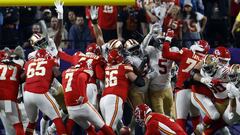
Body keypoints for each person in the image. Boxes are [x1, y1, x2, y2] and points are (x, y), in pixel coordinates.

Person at [162, 29, 209, 131]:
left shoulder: (187, 52)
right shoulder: (205, 60)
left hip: (182, 89)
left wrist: (168, 38)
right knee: (196, 118)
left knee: (181, 120)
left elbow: (165, 54)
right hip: (195, 91)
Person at [62, 56, 114, 135]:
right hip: (83, 106)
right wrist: (82, 95)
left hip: (70, 109)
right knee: (104, 127)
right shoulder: (83, 71)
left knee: (89, 128)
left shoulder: (65, 72)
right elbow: (81, 78)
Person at [23, 49, 67, 135]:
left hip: (27, 94)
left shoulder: (28, 63)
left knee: (32, 123)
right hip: (40, 92)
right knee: (58, 119)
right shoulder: (50, 62)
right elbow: (58, 74)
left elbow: (23, 77)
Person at [100, 49, 145, 132]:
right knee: (109, 129)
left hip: (103, 100)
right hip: (114, 98)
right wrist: (137, 70)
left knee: (109, 128)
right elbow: (140, 83)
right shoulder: (124, 67)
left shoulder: (107, 67)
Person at [0, 48, 25, 135]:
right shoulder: (18, 65)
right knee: (17, 124)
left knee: (8, 125)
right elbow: (23, 78)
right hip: (8, 100)